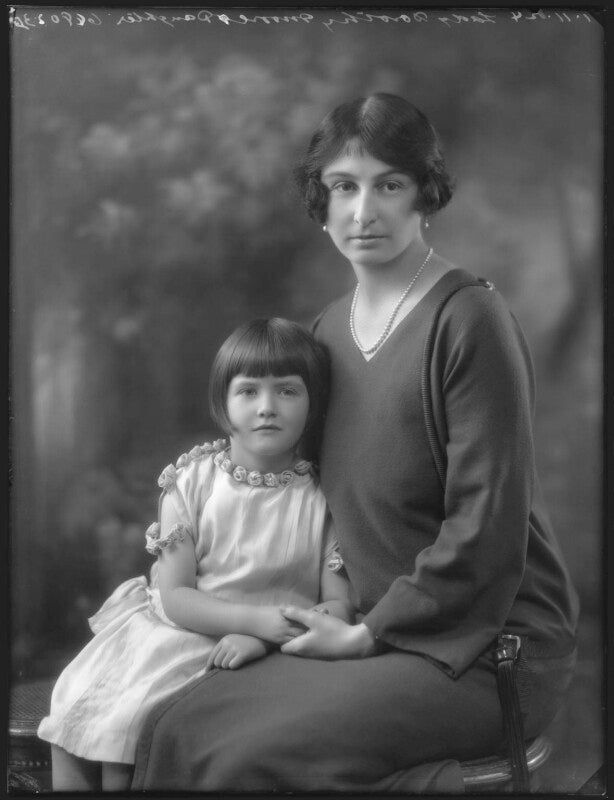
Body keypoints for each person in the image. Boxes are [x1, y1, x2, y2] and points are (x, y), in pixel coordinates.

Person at [131, 93, 579, 793]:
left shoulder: (470, 320)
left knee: (244, 758)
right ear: (322, 200)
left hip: (483, 645)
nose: (363, 211)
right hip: (363, 620)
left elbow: (486, 529)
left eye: (388, 184)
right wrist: (190, 510)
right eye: (344, 186)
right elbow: (286, 481)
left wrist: (367, 636)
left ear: (424, 194)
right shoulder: (326, 332)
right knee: (178, 725)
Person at [37, 318, 352, 792]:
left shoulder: (322, 497)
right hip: (178, 631)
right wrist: (253, 623)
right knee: (82, 718)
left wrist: (263, 638)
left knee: (140, 737)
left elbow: (339, 607)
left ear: (314, 401)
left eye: (287, 391)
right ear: (223, 403)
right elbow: (177, 594)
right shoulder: (191, 481)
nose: (267, 408)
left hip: (263, 646)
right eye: (248, 392)